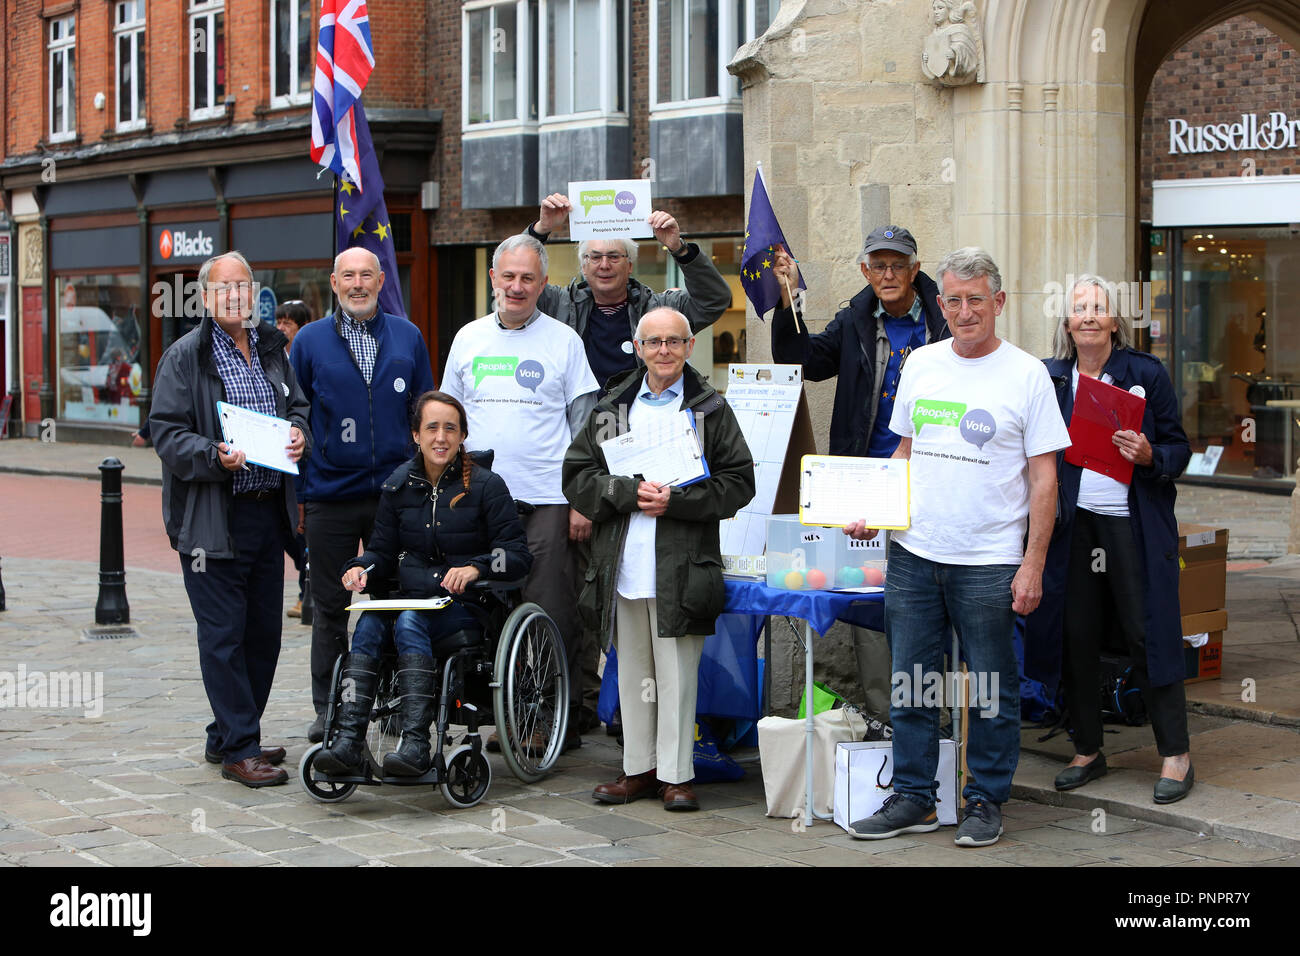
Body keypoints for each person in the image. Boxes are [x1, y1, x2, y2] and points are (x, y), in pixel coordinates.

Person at [845, 247, 1070, 846]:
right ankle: (915, 796)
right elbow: (904, 453)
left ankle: (985, 801)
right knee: (911, 680)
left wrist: (1033, 563)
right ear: (939, 303)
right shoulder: (920, 363)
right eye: (954, 300)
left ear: (998, 303)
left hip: (990, 559)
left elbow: (1045, 477)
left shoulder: (1027, 375)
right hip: (915, 553)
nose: (965, 311)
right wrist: (877, 511)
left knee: (991, 687)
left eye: (977, 300)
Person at [564, 307, 756, 811]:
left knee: (676, 676)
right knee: (634, 676)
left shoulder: (710, 408)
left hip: (682, 568)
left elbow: (739, 483)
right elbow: (577, 477)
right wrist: (625, 493)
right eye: (654, 342)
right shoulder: (612, 408)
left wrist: (678, 502)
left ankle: (676, 775)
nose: (664, 351)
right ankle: (638, 770)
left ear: (690, 347)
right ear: (639, 346)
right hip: (622, 567)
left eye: (674, 342)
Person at [1025, 275, 1194, 803]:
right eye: (1079, 309)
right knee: (1076, 635)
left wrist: (1150, 456)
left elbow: (1179, 450)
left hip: (1130, 526)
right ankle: (1087, 749)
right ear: (1068, 323)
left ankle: (1175, 754)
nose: (1089, 316)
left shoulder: (1145, 373)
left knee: (1148, 634)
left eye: (1099, 307)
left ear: (1115, 321)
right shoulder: (1049, 379)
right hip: (1073, 527)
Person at [771, 225, 949, 727]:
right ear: (864, 271)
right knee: (872, 605)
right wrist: (788, 304)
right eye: (878, 265)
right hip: (865, 488)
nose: (888, 274)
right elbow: (801, 360)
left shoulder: (945, 321)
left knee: (932, 604)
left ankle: (936, 722)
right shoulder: (853, 321)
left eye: (898, 265)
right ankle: (885, 718)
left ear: (915, 270)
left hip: (931, 482)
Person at [150, 250, 311, 787]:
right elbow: (167, 434)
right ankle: (240, 749)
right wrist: (212, 456)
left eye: (244, 287)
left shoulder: (272, 348)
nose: (236, 297)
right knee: (223, 636)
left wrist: (298, 432)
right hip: (211, 519)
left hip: (268, 516)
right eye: (225, 289)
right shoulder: (185, 356)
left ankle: (230, 732)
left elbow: (298, 407)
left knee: (263, 634)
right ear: (205, 297)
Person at [314, 390, 532, 776]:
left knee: (409, 620)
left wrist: (478, 568)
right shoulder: (398, 485)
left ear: (463, 435)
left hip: (467, 608)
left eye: (451, 428)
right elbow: (381, 550)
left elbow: (516, 556)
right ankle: (348, 740)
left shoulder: (486, 486)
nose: (441, 438)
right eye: (431, 428)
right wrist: (362, 568)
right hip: (411, 602)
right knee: (368, 623)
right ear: (416, 434)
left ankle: (415, 743)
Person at [441, 234, 601, 751]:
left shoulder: (564, 341)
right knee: (487, 610)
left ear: (543, 283)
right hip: (477, 503)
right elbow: (446, 421)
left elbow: (586, 428)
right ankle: (506, 715)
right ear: (493, 279)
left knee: (552, 610)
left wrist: (581, 499)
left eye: (527, 278)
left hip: (548, 501)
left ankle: (554, 721)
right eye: (507, 276)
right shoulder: (467, 338)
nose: (516, 286)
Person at [290, 248, 437, 743]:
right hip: (330, 493)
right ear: (334, 282)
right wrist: (302, 484)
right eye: (348, 276)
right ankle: (330, 708)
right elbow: (297, 414)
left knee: (392, 600)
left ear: (380, 281)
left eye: (366, 276)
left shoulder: (408, 336)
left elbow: (424, 411)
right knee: (330, 604)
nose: (358, 284)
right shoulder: (308, 342)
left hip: (393, 497)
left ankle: (394, 703)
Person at [276, 300, 313, 620]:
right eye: (279, 320)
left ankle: (307, 592)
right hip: (280, 464)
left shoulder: (301, 359)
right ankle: (306, 587)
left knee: (302, 535)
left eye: (289, 322)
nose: (282, 326)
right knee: (291, 534)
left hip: (302, 461)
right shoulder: (273, 357)